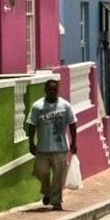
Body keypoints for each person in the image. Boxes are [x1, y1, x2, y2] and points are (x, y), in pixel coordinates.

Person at [26, 79, 78, 211]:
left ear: (58, 90)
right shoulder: (38, 107)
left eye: (55, 90)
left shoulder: (65, 106)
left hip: (60, 148)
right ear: (45, 90)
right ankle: (47, 192)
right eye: (50, 89)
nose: (52, 92)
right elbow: (31, 125)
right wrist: (31, 143)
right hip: (43, 148)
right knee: (40, 171)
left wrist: (74, 142)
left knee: (58, 175)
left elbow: (72, 124)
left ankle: (56, 201)